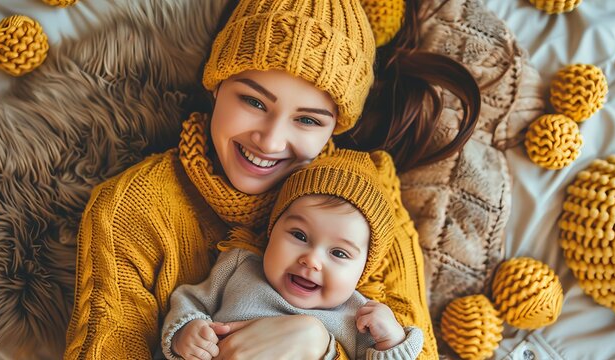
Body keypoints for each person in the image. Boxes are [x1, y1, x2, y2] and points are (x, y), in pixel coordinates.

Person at [64, 0, 481, 359]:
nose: (270, 140)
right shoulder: (134, 206)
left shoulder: (370, 205)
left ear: (334, 128)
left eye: (307, 120)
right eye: (253, 100)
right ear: (216, 86)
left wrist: (316, 344)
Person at [160, 149, 423, 360]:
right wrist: (186, 331)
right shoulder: (240, 266)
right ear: (271, 231)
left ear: (363, 270)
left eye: (339, 253)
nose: (311, 260)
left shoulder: (358, 316)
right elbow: (190, 300)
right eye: (299, 236)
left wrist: (392, 342)